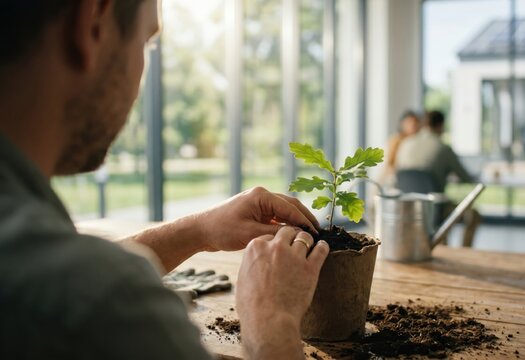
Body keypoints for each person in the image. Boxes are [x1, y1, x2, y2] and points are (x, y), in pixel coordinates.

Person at [0, 1, 329, 359]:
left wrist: (199, 230)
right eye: (147, 42)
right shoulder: (106, 309)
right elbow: (91, 288)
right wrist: (273, 324)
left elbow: (61, 275)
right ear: (93, 22)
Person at [395, 110, 481, 247]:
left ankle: (441, 244)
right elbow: (466, 178)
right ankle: (465, 252)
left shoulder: (405, 144)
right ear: (441, 125)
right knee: (473, 215)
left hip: (407, 207)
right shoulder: (443, 148)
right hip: (434, 208)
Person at [380, 110, 421, 188]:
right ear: (402, 124)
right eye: (409, 122)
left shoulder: (420, 142)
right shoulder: (395, 140)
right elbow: (388, 164)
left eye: (416, 122)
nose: (413, 125)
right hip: (397, 179)